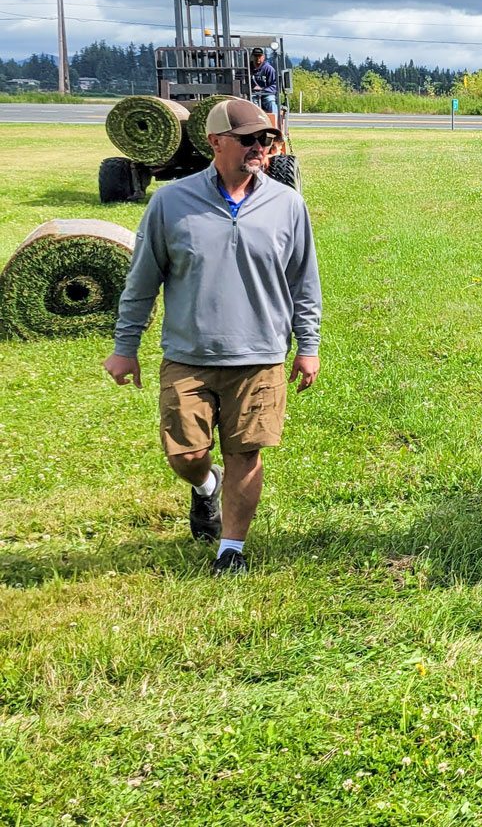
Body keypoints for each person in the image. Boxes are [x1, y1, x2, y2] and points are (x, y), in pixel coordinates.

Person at [105, 98, 322, 575]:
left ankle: (231, 550)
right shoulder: (170, 202)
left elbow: (303, 281)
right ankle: (206, 487)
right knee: (186, 454)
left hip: (260, 354)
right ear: (216, 141)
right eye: (249, 139)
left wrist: (308, 345)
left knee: (246, 452)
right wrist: (125, 347)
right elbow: (142, 281)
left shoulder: (287, 203)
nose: (261, 147)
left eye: (266, 138)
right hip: (189, 354)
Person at [248, 48, 279, 115]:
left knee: (271, 102)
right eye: (256, 56)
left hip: (267, 94)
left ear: (263, 57)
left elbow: (274, 85)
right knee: (249, 104)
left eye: (260, 56)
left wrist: (262, 90)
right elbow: (239, 80)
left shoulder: (269, 69)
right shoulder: (247, 68)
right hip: (252, 94)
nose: (258, 59)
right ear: (252, 56)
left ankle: (274, 122)